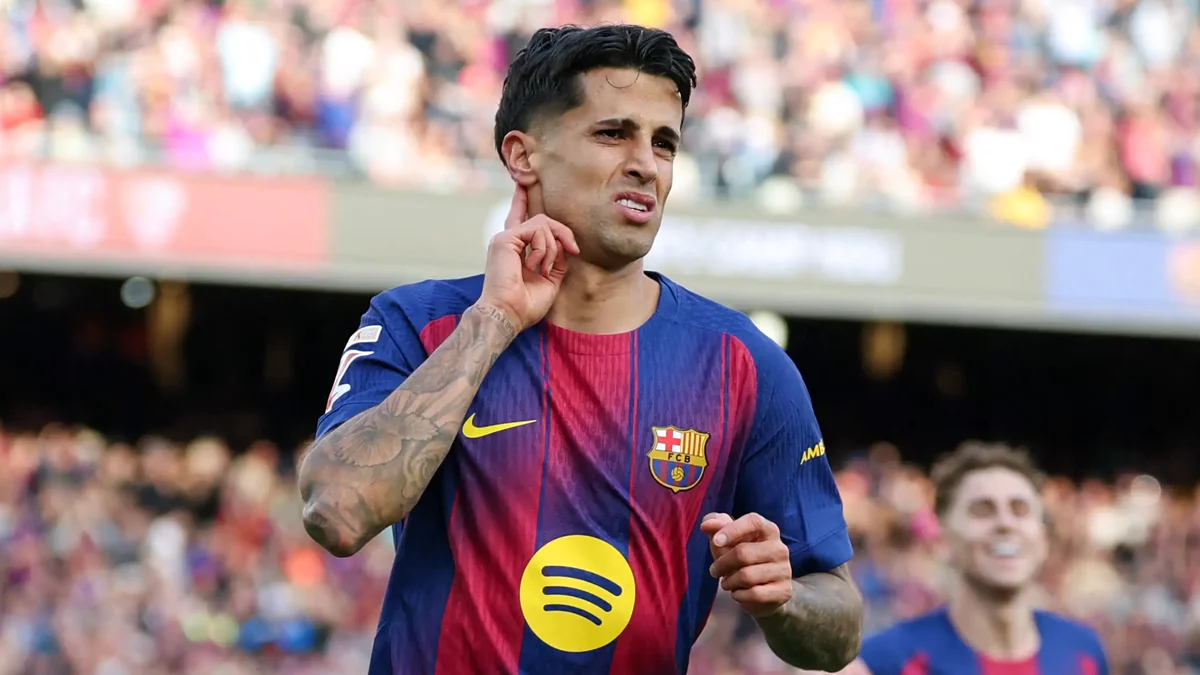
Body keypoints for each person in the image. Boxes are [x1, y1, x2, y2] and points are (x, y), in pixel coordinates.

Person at [298, 24, 863, 675]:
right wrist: (494, 321)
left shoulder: (745, 365)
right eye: (613, 133)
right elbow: (336, 512)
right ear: (523, 156)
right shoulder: (418, 324)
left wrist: (784, 598)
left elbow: (840, 625)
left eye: (664, 142)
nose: (646, 164)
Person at [841, 443, 1109, 675]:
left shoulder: (1083, 651)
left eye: (1020, 510)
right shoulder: (885, 661)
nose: (1005, 523)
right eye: (983, 510)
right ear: (942, 540)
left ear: (1043, 538)